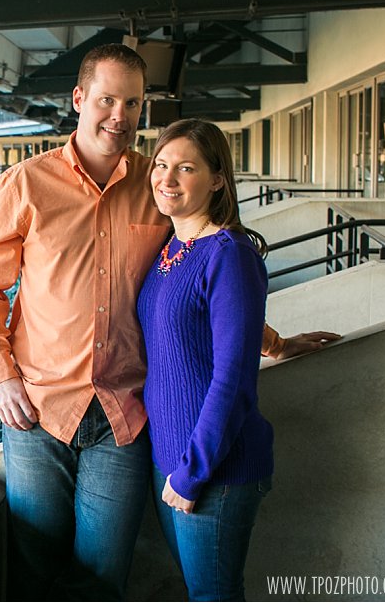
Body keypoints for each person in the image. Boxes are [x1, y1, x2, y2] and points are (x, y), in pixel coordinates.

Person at [0, 43, 338, 601]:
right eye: (107, 100)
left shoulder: (156, 186)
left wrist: (273, 342)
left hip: (124, 418)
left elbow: (202, 289)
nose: (120, 116)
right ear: (79, 99)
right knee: (33, 569)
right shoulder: (25, 184)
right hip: (40, 410)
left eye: (132, 103)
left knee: (104, 578)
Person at [137, 119, 274, 600]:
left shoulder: (228, 253)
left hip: (213, 470)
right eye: (161, 164)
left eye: (186, 168)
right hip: (170, 458)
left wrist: (193, 472)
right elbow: (197, 330)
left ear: (217, 179)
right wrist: (275, 341)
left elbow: (233, 379)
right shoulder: (170, 247)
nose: (167, 179)